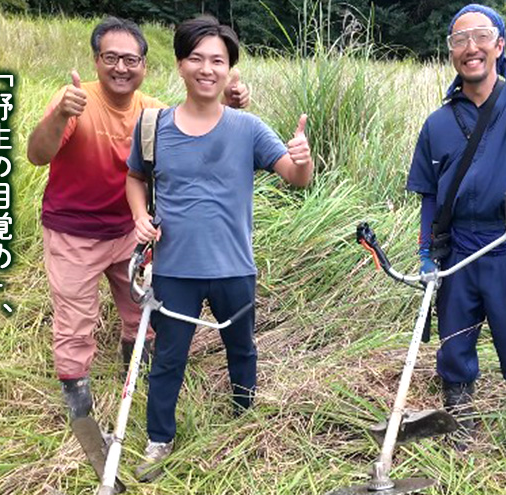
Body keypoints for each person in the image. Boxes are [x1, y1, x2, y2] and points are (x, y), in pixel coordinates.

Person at [26, 16, 250, 422]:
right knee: (76, 316)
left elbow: (198, 129)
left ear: (145, 65)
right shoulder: (75, 100)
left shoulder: (153, 114)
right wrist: (60, 114)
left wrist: (229, 105)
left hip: (133, 231)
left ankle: (140, 368)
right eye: (110, 58)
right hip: (73, 231)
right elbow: (37, 155)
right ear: (96, 61)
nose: (121, 68)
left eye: (131, 59)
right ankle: (77, 396)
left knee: (141, 310)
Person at [124, 15, 313, 482]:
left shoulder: (247, 127)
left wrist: (304, 159)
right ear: (180, 64)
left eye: (218, 61)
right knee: (168, 357)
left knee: (241, 349)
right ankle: (159, 439)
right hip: (173, 269)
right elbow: (134, 177)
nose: (207, 69)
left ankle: (244, 421)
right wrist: (139, 217)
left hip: (234, 266)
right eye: (197, 58)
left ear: (230, 70)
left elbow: (294, 177)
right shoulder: (153, 126)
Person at [406, 4, 506, 483]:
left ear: (499, 46)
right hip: (458, 254)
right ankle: (460, 430)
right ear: (451, 53)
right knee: (454, 351)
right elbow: (431, 198)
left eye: (480, 36)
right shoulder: (437, 123)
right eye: (459, 39)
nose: (470, 47)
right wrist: (426, 253)